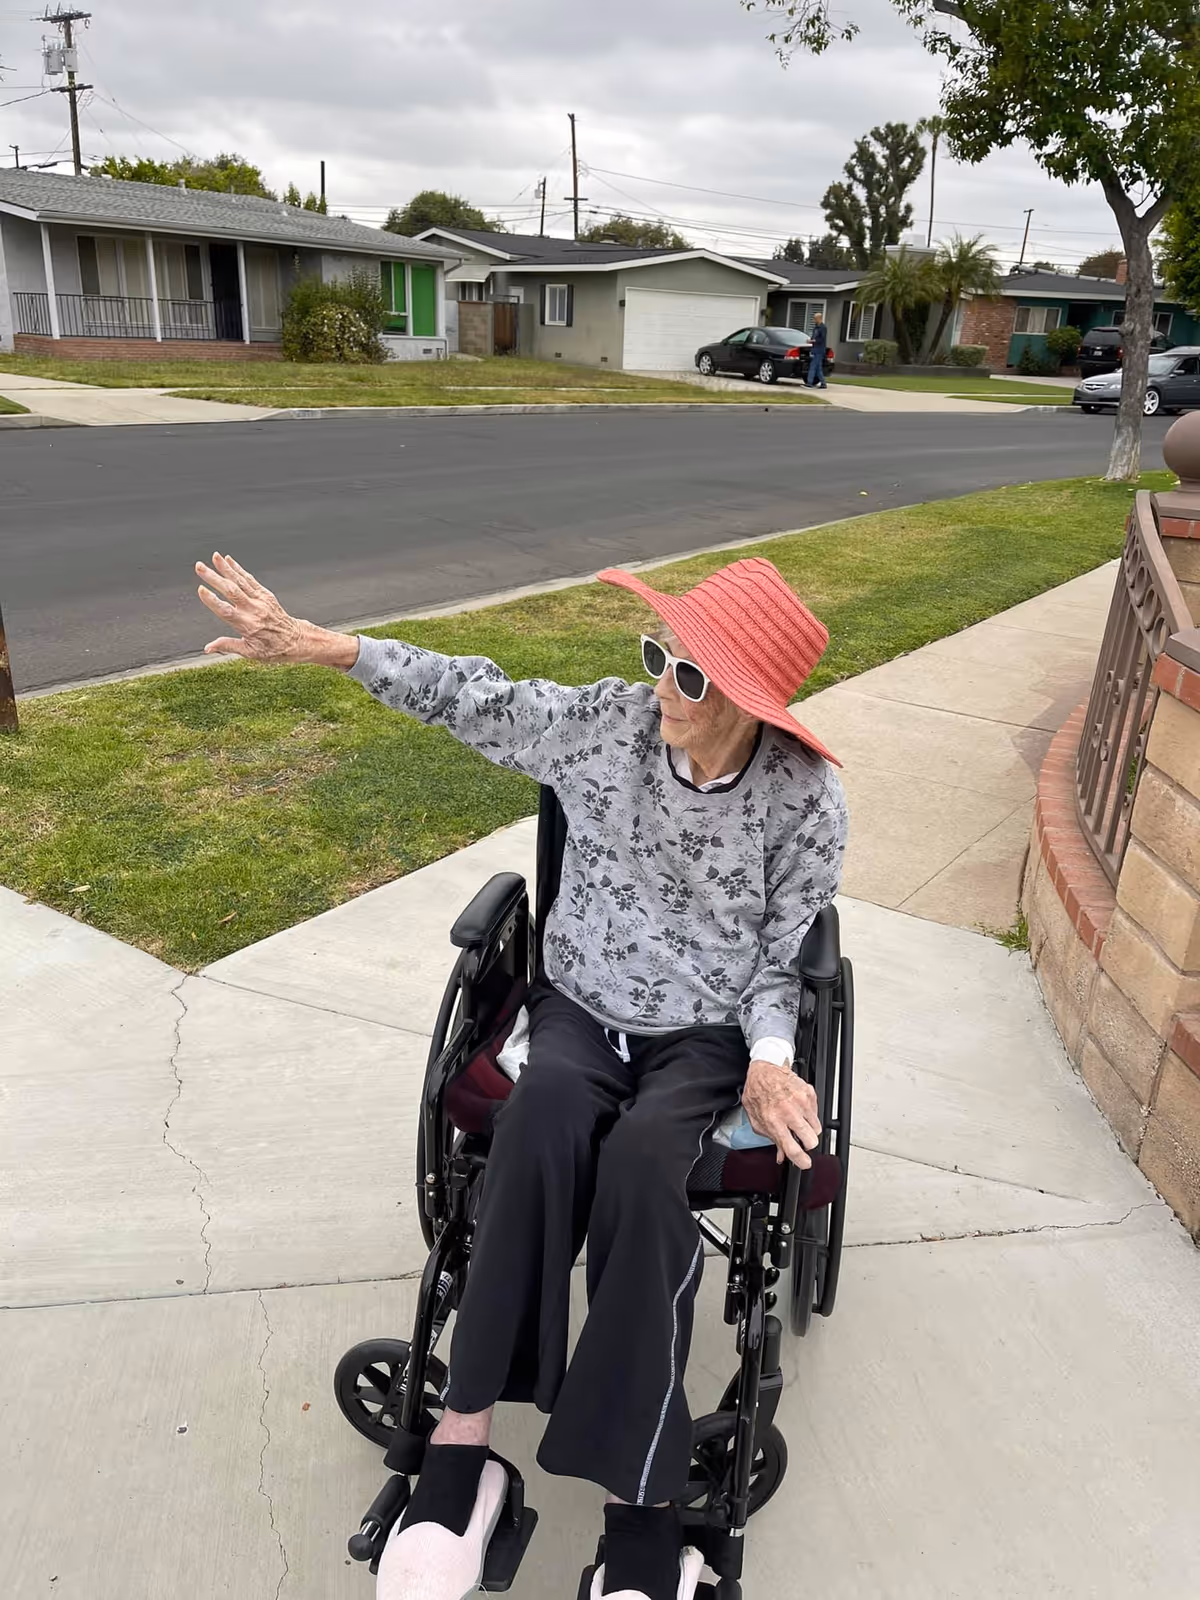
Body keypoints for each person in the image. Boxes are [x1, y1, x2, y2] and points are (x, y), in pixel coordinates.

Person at [194, 551, 848, 1600]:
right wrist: (332, 647)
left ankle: (639, 1521)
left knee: (643, 1169)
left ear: (749, 701)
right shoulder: (604, 727)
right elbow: (474, 694)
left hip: (705, 1036)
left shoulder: (805, 798)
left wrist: (772, 1060)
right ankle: (462, 1456)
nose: (657, 691)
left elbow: (784, 956)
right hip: (581, 1008)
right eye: (657, 658)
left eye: (686, 677)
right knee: (537, 1122)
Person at [807, 313, 828, 389]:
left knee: (813, 366)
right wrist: (810, 340)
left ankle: (809, 383)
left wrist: (814, 341)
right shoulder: (815, 328)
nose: (814, 320)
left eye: (815, 318)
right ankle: (823, 383)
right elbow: (813, 337)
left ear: (819, 318)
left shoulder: (823, 328)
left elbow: (822, 339)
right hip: (814, 349)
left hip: (819, 350)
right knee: (818, 368)